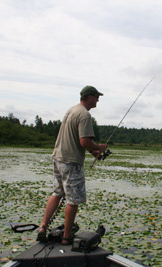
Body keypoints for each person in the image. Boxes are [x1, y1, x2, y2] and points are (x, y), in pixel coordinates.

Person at [37, 85, 108, 245]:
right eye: (97, 97)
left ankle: (42, 227)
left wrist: (94, 153)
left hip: (58, 158)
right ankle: (67, 236)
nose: (98, 100)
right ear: (89, 97)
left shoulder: (71, 111)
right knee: (73, 200)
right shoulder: (85, 115)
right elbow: (85, 141)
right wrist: (99, 147)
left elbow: (79, 141)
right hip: (71, 162)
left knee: (57, 193)